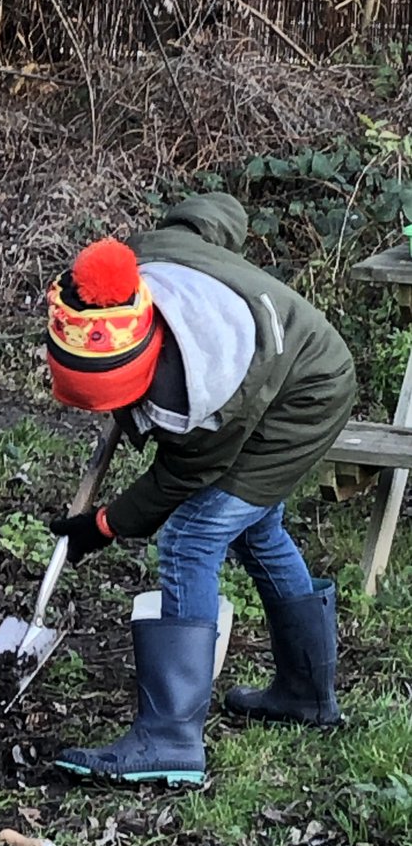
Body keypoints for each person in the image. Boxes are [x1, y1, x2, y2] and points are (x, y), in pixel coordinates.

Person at [45, 193, 356, 785]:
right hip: (287, 369)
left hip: (303, 399)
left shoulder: (198, 395)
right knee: (257, 527)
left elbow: (182, 478)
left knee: (192, 536)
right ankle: (306, 695)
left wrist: (104, 524)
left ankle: (170, 739)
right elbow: (212, 214)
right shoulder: (142, 260)